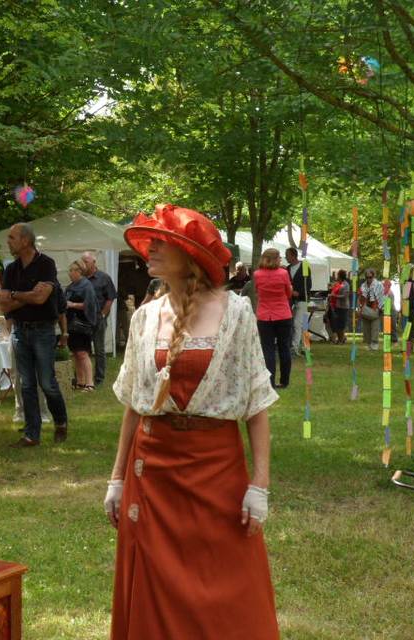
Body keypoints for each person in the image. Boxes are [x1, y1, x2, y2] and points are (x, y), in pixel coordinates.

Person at [106, 204, 278, 639]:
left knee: (226, 584)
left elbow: (256, 404)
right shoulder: (145, 317)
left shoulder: (236, 313)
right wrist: (115, 478)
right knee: (154, 587)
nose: (151, 250)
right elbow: (134, 402)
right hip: (153, 472)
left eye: (162, 243)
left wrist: (259, 485)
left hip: (217, 472)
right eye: (150, 243)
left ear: (191, 256)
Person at [0, 222, 69, 446]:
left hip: (43, 330)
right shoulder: (10, 269)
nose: (8, 242)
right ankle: (32, 434)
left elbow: (41, 299)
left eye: (12, 238)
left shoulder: (46, 264)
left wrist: (16, 296)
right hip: (20, 331)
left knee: (47, 383)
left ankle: (61, 423)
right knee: (26, 384)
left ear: (25, 241)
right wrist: (27, 295)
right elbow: (4, 305)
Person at [253, 248, 293, 389]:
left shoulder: (257, 274)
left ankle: (270, 382)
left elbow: (257, 291)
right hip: (283, 314)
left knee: (268, 349)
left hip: (264, 315)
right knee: (284, 347)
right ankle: (284, 380)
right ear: (276, 259)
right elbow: (289, 293)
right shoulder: (283, 273)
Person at [80, 251, 116, 386]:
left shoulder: (104, 277)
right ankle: (84, 378)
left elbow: (110, 298)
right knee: (83, 349)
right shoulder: (81, 278)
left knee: (99, 349)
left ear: (94, 263)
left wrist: (102, 314)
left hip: (98, 317)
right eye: (82, 262)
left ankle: (99, 378)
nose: (84, 264)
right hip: (82, 319)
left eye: (86, 262)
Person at [64, 259, 99, 390]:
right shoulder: (70, 287)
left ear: (79, 272)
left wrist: (72, 305)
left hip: (83, 324)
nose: (69, 273)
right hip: (71, 324)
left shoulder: (86, 285)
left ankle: (90, 383)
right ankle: (80, 381)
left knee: (83, 353)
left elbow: (90, 305)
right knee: (76, 353)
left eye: (71, 271)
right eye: (69, 271)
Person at [285, 247, 312, 356]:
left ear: (293, 255)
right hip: (291, 300)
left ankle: (295, 347)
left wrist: (299, 293)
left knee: (298, 323)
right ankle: (305, 347)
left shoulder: (304, 266)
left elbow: (308, 284)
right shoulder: (287, 269)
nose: (286, 257)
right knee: (300, 324)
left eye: (287, 255)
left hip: (302, 299)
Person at [359, 268, 384, 350]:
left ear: (373, 276)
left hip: (375, 307)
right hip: (365, 308)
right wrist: (360, 307)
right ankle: (369, 343)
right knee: (366, 327)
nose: (368, 279)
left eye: (370, 277)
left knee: (375, 327)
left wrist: (381, 307)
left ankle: (375, 343)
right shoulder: (363, 285)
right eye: (367, 277)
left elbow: (381, 296)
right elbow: (361, 297)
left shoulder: (379, 284)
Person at [327, 270, 350, 344]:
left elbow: (345, 296)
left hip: (343, 307)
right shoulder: (337, 284)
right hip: (337, 306)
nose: (337, 276)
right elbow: (333, 290)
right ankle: (341, 339)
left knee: (341, 324)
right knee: (337, 324)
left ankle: (341, 339)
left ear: (341, 276)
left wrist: (334, 296)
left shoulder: (346, 284)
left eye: (338, 275)